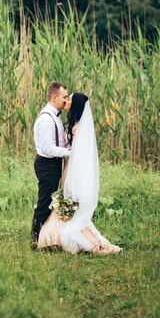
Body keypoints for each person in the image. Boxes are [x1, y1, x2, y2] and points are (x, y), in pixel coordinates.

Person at [37, 92, 123, 255]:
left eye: (69, 98)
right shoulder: (72, 124)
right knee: (70, 209)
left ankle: (95, 244)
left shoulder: (77, 128)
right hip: (67, 167)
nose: (66, 100)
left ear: (75, 104)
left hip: (71, 170)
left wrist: (67, 156)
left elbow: (79, 153)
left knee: (73, 209)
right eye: (66, 97)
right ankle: (89, 242)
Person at [31, 81, 71, 250]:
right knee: (45, 201)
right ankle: (35, 240)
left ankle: (46, 239)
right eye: (64, 97)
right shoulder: (47, 119)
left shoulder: (55, 117)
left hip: (53, 164)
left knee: (50, 201)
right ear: (55, 97)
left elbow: (59, 142)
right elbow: (47, 148)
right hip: (46, 164)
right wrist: (70, 153)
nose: (66, 100)